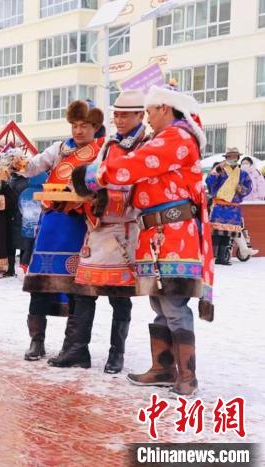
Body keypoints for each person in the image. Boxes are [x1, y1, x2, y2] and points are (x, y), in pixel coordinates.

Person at [74, 84, 215, 396]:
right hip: (157, 233)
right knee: (160, 302)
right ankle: (163, 368)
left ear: (164, 108)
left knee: (173, 303)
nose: (148, 118)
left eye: (149, 111)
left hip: (174, 233)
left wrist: (93, 175)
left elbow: (136, 164)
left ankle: (187, 376)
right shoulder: (166, 137)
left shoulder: (177, 138)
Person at [49, 89, 147, 373]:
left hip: (124, 228)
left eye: (125, 115)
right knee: (83, 291)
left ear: (141, 115)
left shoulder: (145, 144)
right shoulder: (110, 144)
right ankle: (78, 350)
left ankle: (117, 354)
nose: (120, 119)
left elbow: (139, 184)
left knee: (120, 295)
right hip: (97, 225)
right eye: (116, 114)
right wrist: (83, 186)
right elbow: (93, 176)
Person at [17, 100, 104, 362]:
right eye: (75, 125)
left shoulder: (102, 152)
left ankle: (71, 344)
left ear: (95, 127)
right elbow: (34, 167)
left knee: (76, 286)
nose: (79, 131)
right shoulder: (59, 148)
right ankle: (36, 341)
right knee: (39, 284)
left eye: (85, 126)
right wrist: (19, 164)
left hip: (79, 224)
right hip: (52, 222)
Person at [206, 148, 252, 265]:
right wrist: (216, 171)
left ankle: (222, 258)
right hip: (219, 205)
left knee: (228, 234)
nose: (232, 159)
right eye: (229, 157)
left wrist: (242, 189)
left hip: (233, 207)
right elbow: (209, 182)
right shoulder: (219, 170)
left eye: (234, 157)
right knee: (216, 233)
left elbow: (249, 187)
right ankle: (211, 257)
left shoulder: (243, 174)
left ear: (238, 158)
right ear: (226, 158)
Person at [18, 172, 47, 274]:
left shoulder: (24, 192)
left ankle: (23, 267)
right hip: (40, 227)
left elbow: (20, 207)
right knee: (38, 249)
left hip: (26, 227)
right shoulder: (45, 193)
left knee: (27, 249)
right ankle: (37, 269)